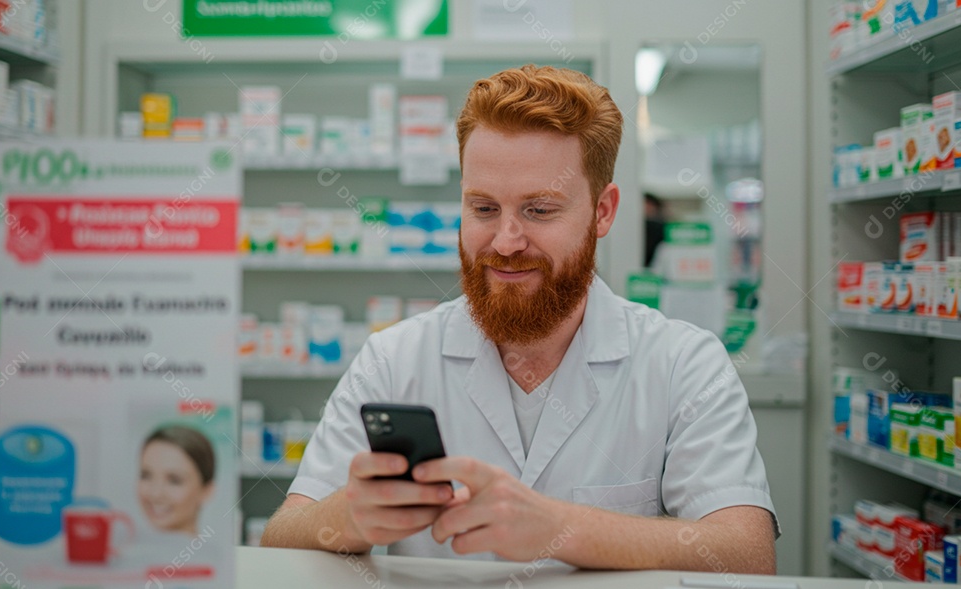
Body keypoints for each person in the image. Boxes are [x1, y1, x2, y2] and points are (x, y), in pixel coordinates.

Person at [261, 65, 778, 573]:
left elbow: (748, 555)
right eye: (484, 208)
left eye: (539, 210)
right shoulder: (394, 358)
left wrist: (559, 528)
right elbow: (280, 538)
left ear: (603, 211)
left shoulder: (682, 364)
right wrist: (347, 517)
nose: (506, 242)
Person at [137, 425, 215, 537]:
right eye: (146, 476)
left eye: (174, 480)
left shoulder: (211, 554)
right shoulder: (125, 549)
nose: (155, 494)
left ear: (206, 491)